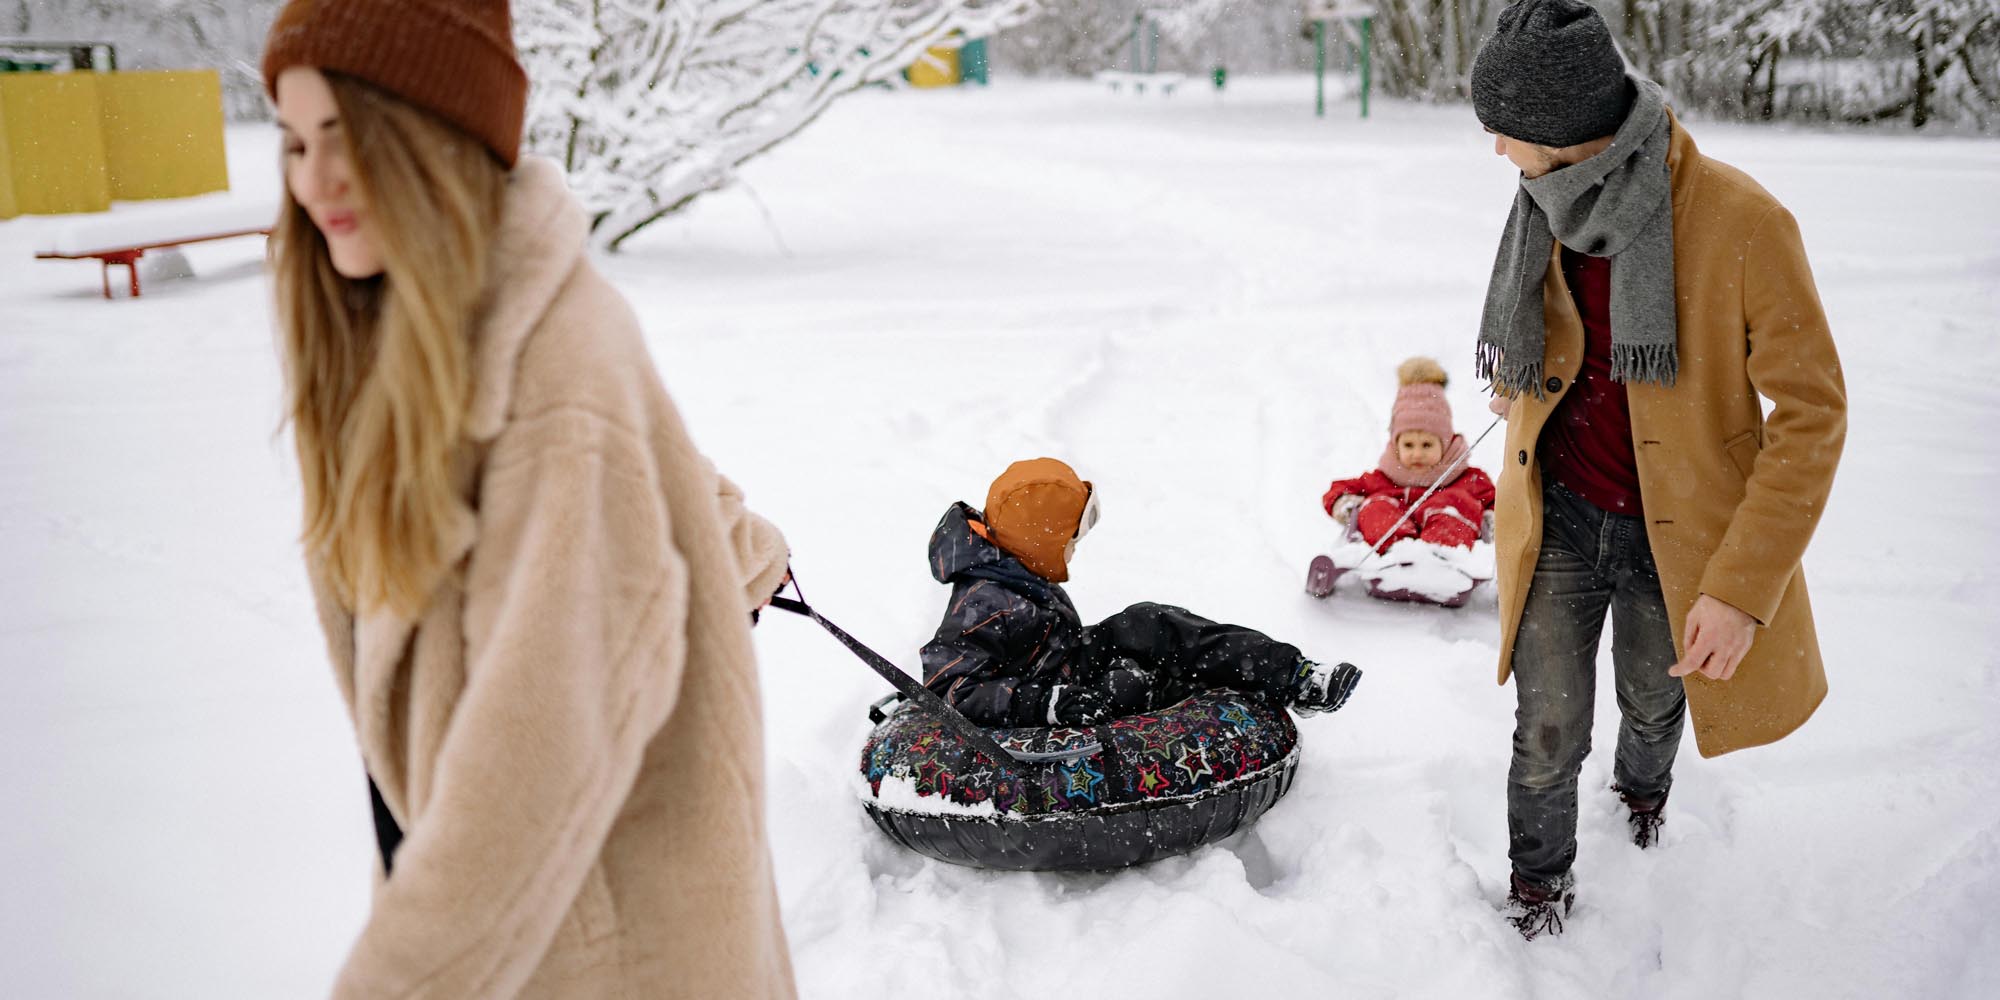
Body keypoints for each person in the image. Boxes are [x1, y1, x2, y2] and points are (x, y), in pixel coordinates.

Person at [262, 1, 795, 994]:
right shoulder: (419, 333)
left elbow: (521, 792)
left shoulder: (552, 373)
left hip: (601, 948)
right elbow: (655, 470)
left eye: (347, 135)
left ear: (432, 134)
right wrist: (740, 545)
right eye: (293, 142)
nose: (315, 180)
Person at [1469, 0, 1846, 940]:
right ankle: (1538, 891)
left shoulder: (1743, 222)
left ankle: (1644, 799)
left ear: (1568, 135)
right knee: (1545, 732)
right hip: (1560, 511)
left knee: (1652, 701)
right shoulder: (1546, 203)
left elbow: (1813, 418)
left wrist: (1743, 590)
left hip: (1679, 539)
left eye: (1504, 133)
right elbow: (1564, 345)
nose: (1498, 153)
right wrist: (1529, 391)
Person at [921, 458, 1361, 727]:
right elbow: (947, 687)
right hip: (1046, 694)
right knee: (1132, 685)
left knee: (1150, 623)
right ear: (1041, 540)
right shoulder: (983, 602)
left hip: (1067, 662)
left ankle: (1294, 676)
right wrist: (1045, 703)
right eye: (1071, 538)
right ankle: (1210, 689)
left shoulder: (1015, 568)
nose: (1075, 548)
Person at [1321, 356, 1496, 550]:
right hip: (1391, 561)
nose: (1417, 453)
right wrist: (1343, 503)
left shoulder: (1469, 480)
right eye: (1409, 445)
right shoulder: (1383, 479)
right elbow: (1339, 489)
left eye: (1427, 445)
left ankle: (1438, 555)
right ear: (1396, 445)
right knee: (1376, 505)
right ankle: (1399, 553)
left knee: (1456, 503)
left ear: (1446, 444)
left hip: (1448, 563)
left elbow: (1501, 501)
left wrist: (1495, 517)